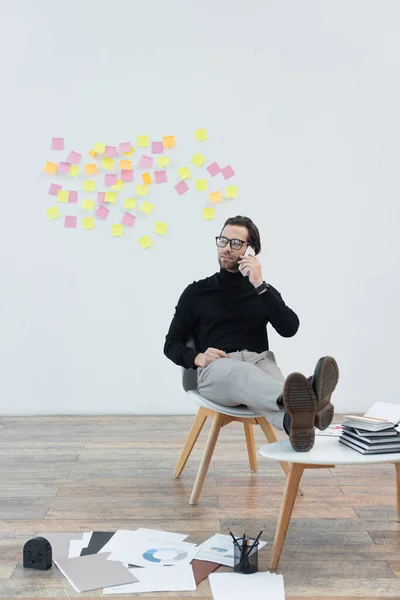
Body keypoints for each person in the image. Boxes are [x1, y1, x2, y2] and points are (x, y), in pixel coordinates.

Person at [164, 215, 339, 452]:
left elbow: (290, 328)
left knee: (273, 384)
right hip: (217, 368)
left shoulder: (262, 290)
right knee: (250, 376)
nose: (226, 248)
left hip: (260, 363)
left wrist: (259, 285)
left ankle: (293, 420)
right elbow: (171, 343)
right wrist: (197, 358)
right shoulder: (196, 292)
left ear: (251, 251)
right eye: (223, 240)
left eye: (236, 243)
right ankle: (310, 400)